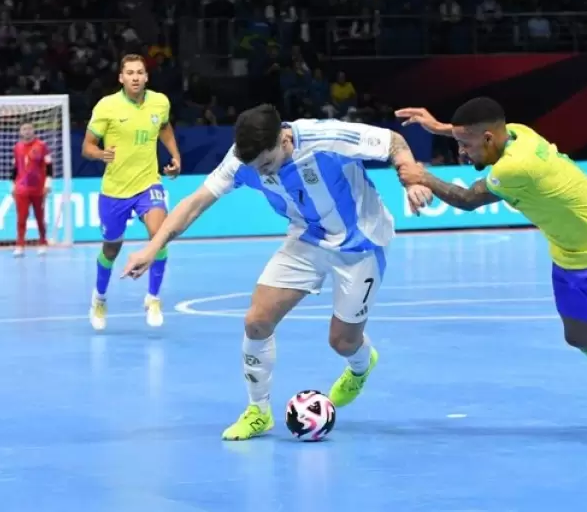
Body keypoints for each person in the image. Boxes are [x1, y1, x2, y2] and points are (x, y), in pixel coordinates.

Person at [121, 105, 433, 440]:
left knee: (342, 341)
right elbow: (196, 202)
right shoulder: (242, 159)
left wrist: (412, 179)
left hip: (361, 241)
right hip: (307, 237)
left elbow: (394, 142)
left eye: (267, 164)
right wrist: (153, 247)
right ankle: (258, 412)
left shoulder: (325, 137)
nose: (262, 172)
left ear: (284, 140)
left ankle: (361, 364)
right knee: (256, 320)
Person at [395, 98, 587, 443]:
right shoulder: (518, 132)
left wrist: (422, 175)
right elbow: (485, 134)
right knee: (581, 338)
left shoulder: (515, 168)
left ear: (488, 138)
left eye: (465, 145)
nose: (463, 153)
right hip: (567, 260)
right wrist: (439, 127)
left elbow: (467, 199)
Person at [82, 54, 182, 330]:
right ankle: (99, 299)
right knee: (111, 249)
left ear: (146, 76)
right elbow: (87, 146)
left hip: (148, 183)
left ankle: (153, 298)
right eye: (130, 73)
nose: (135, 77)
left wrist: (175, 156)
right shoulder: (107, 106)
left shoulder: (159, 102)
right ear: (121, 78)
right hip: (114, 190)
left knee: (159, 236)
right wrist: (101, 153)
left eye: (140, 72)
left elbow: (164, 127)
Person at [11, 122, 51, 257]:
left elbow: (49, 165)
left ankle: (42, 242)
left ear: (33, 131)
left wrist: (48, 183)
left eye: (29, 129)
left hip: (38, 188)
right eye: (24, 129)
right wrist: (13, 185)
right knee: (21, 218)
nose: (27, 131)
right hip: (21, 189)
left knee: (40, 217)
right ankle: (20, 245)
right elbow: (15, 168)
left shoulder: (42, 146)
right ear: (20, 132)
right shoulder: (17, 147)